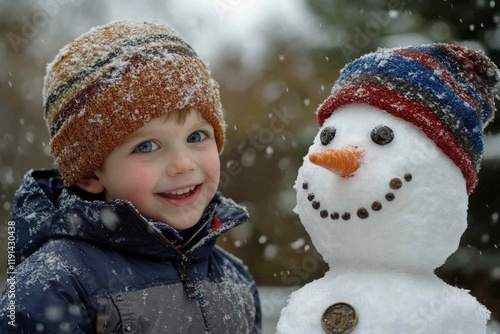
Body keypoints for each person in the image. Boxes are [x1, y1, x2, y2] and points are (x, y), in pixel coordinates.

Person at [0, 20, 261, 333]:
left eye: (196, 137)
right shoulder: (54, 284)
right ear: (89, 175)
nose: (182, 164)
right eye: (147, 146)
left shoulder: (234, 278)